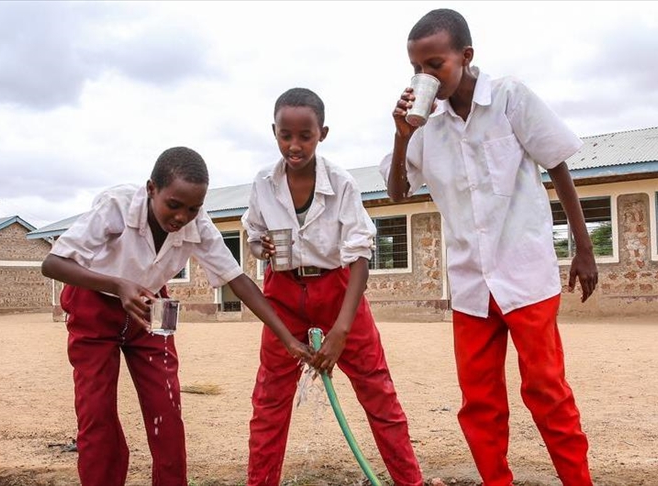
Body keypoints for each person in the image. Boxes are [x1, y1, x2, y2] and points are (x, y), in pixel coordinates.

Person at [381, 8, 599, 486]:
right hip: (470, 285)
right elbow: (397, 193)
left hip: (525, 276)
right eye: (416, 68)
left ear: (466, 56)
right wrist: (401, 139)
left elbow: (558, 165)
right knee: (478, 401)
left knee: (546, 390)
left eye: (434, 64)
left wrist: (583, 249)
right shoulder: (426, 127)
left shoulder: (509, 98)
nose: (425, 77)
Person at [41, 146, 312, 486]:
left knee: (166, 412)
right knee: (97, 416)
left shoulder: (198, 225)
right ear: (151, 188)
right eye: (174, 205)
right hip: (94, 304)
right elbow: (52, 264)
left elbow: (238, 280)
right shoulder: (117, 207)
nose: (182, 217)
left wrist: (287, 337)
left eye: (193, 208)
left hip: (151, 306)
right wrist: (118, 285)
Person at [242, 88, 424, 486]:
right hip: (283, 293)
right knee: (269, 402)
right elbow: (253, 233)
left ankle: (411, 482)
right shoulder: (262, 184)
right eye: (285, 135)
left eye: (304, 136)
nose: (294, 145)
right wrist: (262, 245)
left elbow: (360, 252)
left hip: (339, 291)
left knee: (379, 394)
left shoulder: (341, 183)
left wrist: (342, 329)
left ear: (322, 133)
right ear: (274, 132)